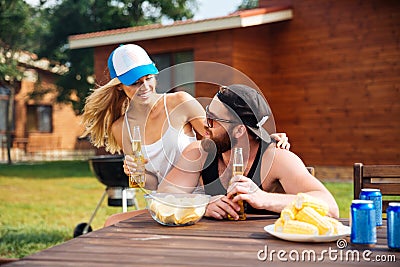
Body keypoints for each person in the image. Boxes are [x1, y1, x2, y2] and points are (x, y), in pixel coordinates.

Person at [158, 84, 339, 220]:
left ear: (239, 131)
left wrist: (264, 199)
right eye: (207, 114)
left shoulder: (276, 159)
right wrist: (201, 205)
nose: (205, 124)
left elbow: (331, 207)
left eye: (213, 119)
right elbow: (163, 195)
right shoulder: (199, 153)